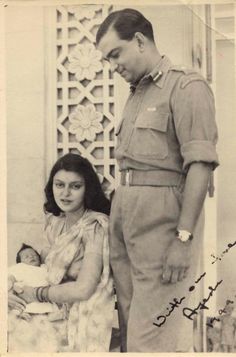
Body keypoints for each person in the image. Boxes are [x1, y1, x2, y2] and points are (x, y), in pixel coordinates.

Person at [96, 8, 219, 352]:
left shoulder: (186, 86)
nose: (113, 65)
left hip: (163, 225)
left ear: (139, 40)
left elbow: (200, 165)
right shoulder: (136, 93)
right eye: (107, 59)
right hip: (126, 216)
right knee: (131, 326)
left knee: (152, 339)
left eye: (115, 54)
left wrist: (183, 239)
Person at [8, 153, 114, 352]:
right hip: (50, 308)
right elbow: (41, 270)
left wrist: (37, 294)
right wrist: (12, 289)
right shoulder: (55, 223)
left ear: (87, 189)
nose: (65, 193)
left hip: (81, 315)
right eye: (59, 185)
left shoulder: (95, 227)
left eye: (75, 186)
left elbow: (84, 289)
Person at [8, 243, 63, 316]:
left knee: (53, 313)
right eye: (26, 257)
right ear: (20, 262)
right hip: (28, 301)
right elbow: (11, 276)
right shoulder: (21, 267)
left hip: (46, 300)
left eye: (34, 255)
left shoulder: (44, 267)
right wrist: (9, 285)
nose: (31, 257)